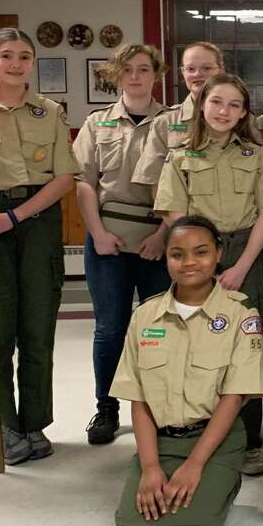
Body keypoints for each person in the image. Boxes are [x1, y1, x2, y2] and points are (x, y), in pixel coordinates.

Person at [110, 216, 263, 526]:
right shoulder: (146, 315)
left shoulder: (240, 314)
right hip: (160, 442)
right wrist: (150, 467)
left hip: (213, 443)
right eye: (177, 254)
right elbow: (139, 400)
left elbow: (234, 398)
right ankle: (169, 479)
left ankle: (224, 483)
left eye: (201, 252)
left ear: (218, 254)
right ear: (166, 257)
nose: (189, 262)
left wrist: (196, 464)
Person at [155, 73, 263, 477]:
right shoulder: (180, 155)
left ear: (244, 113)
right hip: (196, 251)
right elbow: (174, 214)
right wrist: (199, 261)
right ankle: (197, 435)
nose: (224, 112)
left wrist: (241, 266)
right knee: (197, 345)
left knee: (247, 346)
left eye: (235, 105)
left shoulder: (255, 156)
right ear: (202, 104)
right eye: (217, 102)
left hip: (245, 253)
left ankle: (248, 441)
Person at [0, 27, 77, 465]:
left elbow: (65, 178)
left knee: (37, 328)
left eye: (25, 57)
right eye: (7, 56)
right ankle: (5, 426)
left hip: (35, 221)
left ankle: (34, 422)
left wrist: (14, 216)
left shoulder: (48, 111)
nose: (16, 64)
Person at [74, 43, 173, 446]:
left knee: (158, 329)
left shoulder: (173, 122)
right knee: (110, 329)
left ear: (156, 74)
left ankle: (158, 406)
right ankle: (107, 408)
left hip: (158, 238)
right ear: (117, 75)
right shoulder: (98, 123)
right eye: (128, 69)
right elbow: (84, 183)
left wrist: (163, 236)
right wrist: (97, 233)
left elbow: (181, 182)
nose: (136, 76)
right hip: (108, 239)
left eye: (144, 69)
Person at [133, 41, 225, 189]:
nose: (197, 74)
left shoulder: (244, 120)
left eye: (206, 68)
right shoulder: (164, 123)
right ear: (183, 73)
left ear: (221, 71)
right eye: (190, 69)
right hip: (182, 211)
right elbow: (155, 183)